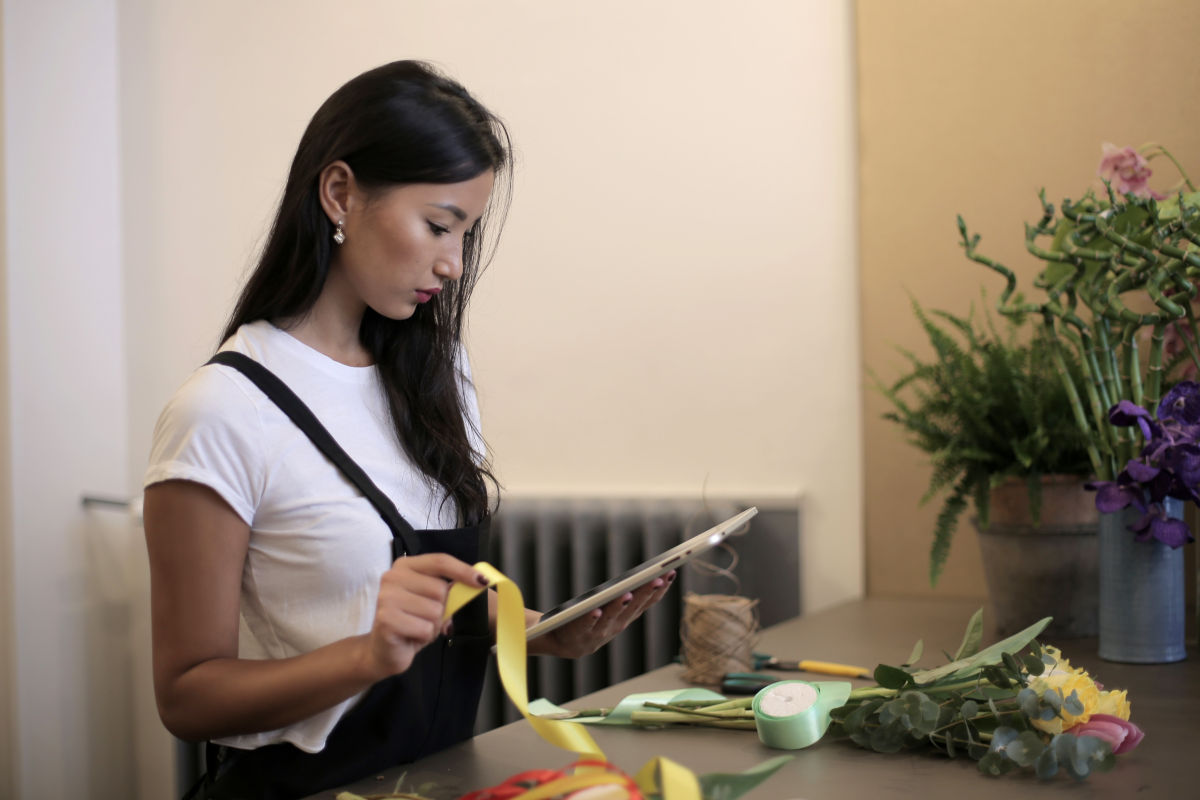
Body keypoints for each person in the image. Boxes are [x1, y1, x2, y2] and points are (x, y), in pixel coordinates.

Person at [142, 60, 674, 800]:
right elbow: (187, 696)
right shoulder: (221, 411)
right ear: (340, 194)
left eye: (466, 234)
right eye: (437, 225)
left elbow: (430, 594)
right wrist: (366, 656)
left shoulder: (432, 375)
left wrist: (537, 628)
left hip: (436, 780)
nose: (454, 264)